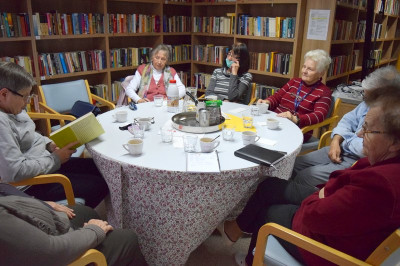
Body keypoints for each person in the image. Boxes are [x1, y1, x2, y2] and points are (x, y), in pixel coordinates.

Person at [220, 87, 400, 266]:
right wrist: (324, 194)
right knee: (272, 185)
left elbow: (313, 216)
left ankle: (252, 260)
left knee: (269, 212)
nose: (360, 134)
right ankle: (235, 229)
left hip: (326, 248)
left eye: (368, 130)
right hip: (336, 211)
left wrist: (321, 195)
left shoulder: (380, 184)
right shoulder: (386, 163)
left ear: (395, 143)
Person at [0, 62, 108, 208]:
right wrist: (56, 159)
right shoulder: (2, 123)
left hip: (46, 163)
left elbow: (31, 135)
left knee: (100, 168)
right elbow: (15, 171)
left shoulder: (13, 109)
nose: (26, 103)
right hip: (32, 183)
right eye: (24, 97)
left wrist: (48, 144)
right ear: (4, 94)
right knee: (99, 185)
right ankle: (79, 218)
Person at [292, 65, 400, 187]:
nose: (366, 100)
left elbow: (362, 150)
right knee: (294, 164)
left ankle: (301, 202)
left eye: (371, 97)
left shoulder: (393, 116)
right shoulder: (368, 103)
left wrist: (344, 140)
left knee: (305, 176)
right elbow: (347, 120)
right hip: (340, 148)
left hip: (358, 160)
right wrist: (336, 140)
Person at [0, 183, 146, 266]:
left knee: (85, 212)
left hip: (41, 225)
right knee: (127, 239)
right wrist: (94, 231)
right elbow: (50, 252)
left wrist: (40, 203)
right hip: (53, 252)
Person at [257, 49, 332, 142]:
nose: (304, 71)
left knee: (262, 139)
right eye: (304, 67)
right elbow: (276, 97)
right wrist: (266, 102)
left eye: (310, 69)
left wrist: (295, 118)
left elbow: (319, 115)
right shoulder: (294, 81)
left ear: (321, 73)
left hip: (297, 129)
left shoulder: (324, 92)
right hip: (275, 120)